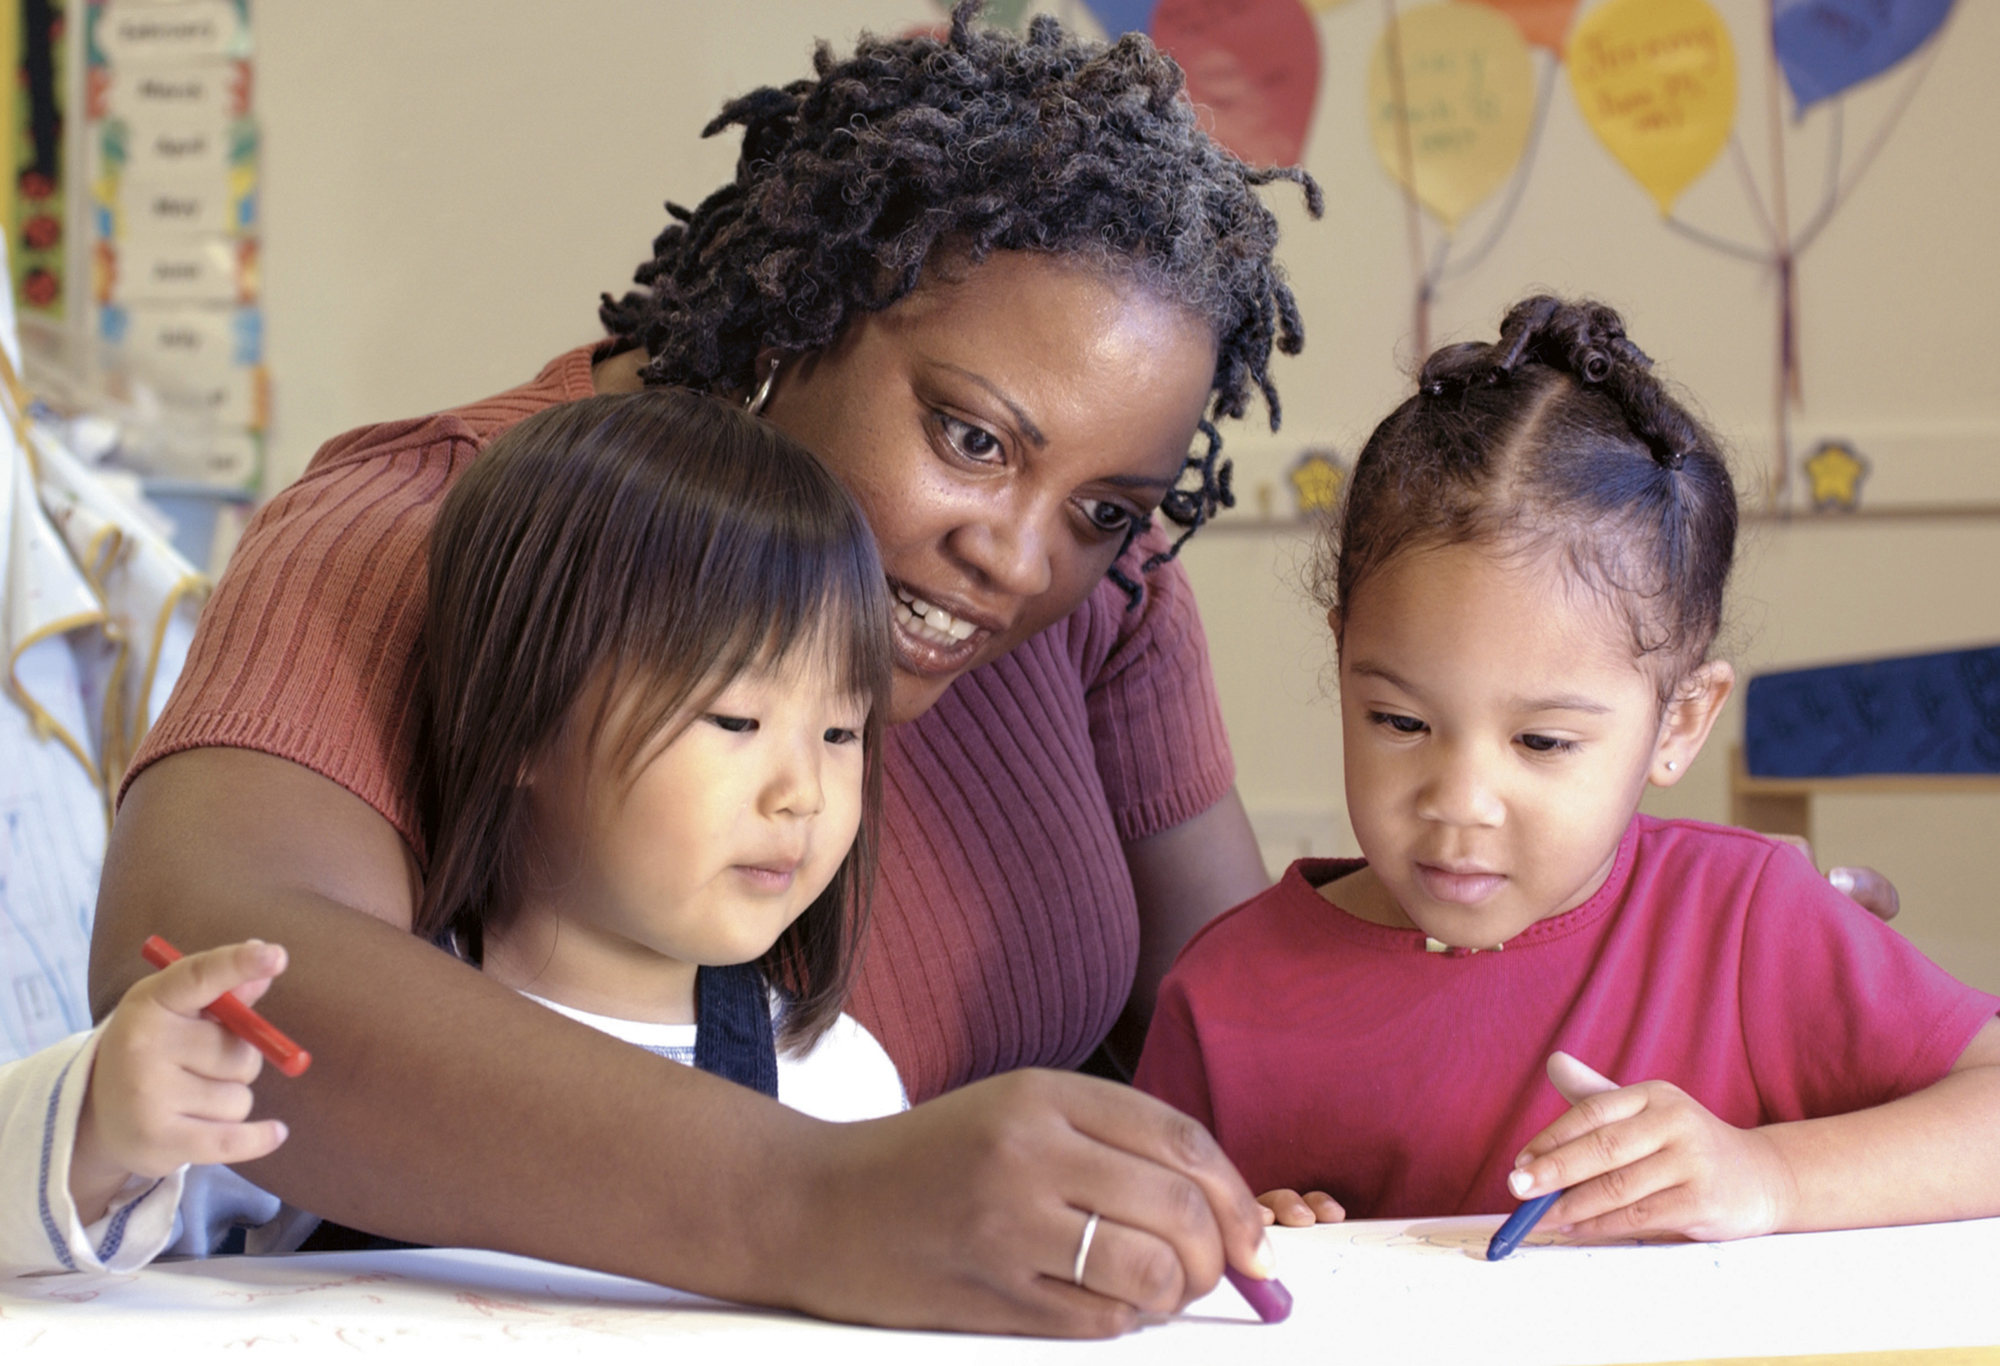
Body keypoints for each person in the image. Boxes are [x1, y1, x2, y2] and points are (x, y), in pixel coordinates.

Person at [87, 6, 1290, 1335]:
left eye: (1105, 506)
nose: (1019, 557)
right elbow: (233, 972)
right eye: (969, 437)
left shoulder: (1098, 591)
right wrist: (817, 1201)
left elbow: (1258, 1039)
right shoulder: (428, 527)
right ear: (793, 315)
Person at [1133, 297, 2000, 1241]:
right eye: (1399, 720)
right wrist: (1243, 1240)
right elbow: (1154, 1244)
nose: (1459, 804)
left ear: (1681, 720)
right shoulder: (1226, 994)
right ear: (1342, 663)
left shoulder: (1748, 921)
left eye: (1541, 742)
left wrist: (1770, 1176)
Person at [7, 390, 910, 1274]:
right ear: (521, 720)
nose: (803, 794)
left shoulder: (840, 1088)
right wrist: (103, 1126)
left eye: (841, 734)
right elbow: (47, 1238)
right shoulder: (335, 1040)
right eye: (736, 721)